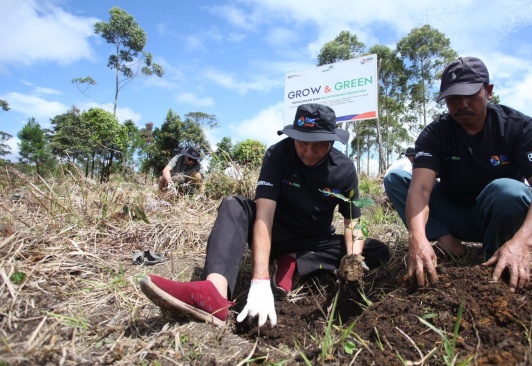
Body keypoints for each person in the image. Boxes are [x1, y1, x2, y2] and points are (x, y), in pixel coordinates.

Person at [140, 103, 390, 327]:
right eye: (302, 143)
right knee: (233, 205)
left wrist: (353, 262)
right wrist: (259, 279)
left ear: (333, 142)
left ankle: (295, 261)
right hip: (273, 233)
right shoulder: (278, 155)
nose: (309, 152)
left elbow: (352, 221)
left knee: (377, 250)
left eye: (319, 145)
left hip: (314, 242)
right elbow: (264, 215)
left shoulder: (344, 169)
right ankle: (214, 292)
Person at [384, 56, 532, 293]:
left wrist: (523, 243)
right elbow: (421, 189)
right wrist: (417, 237)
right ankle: (446, 241)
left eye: (470, 96)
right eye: (453, 99)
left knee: (509, 191)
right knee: (396, 179)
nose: (462, 104)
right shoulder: (436, 133)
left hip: (493, 216)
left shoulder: (518, 127)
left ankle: (498, 255)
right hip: (451, 213)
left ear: (488, 91)